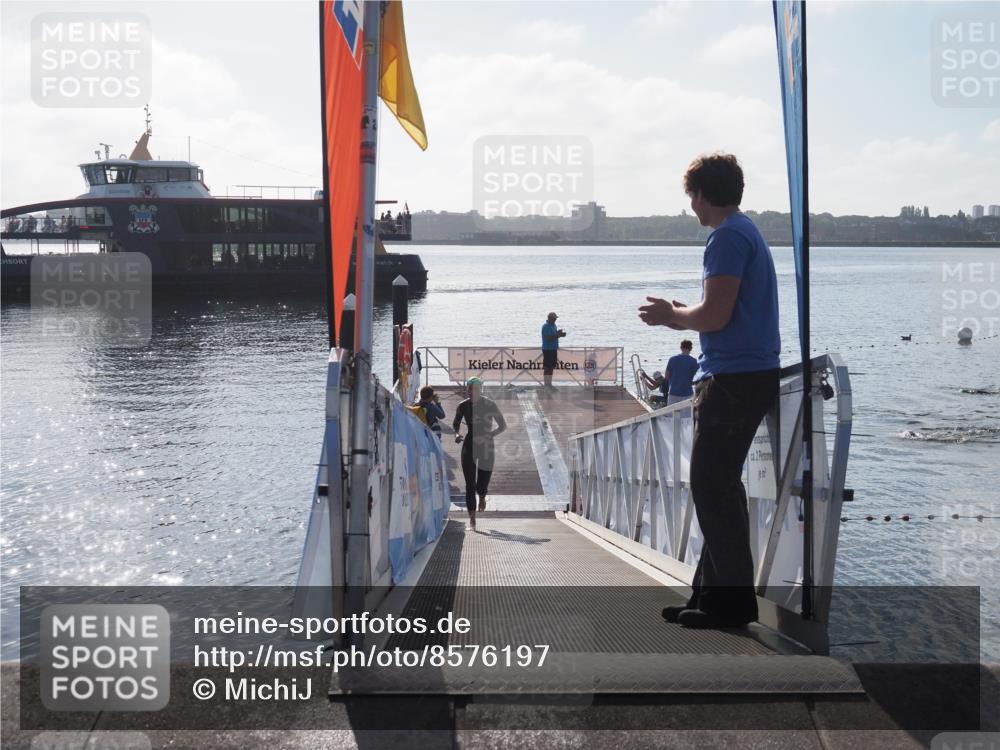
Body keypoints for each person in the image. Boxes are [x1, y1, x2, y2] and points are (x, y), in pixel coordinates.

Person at [638, 153, 780, 630]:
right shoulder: (743, 231)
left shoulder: (726, 238)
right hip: (744, 375)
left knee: (711, 487)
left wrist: (671, 316)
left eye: (691, 197)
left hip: (733, 379)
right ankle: (709, 596)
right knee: (718, 489)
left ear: (701, 194)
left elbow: (715, 317)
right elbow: (722, 309)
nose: (691, 207)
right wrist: (685, 310)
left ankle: (733, 606)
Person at [452, 377, 507, 528]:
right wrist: (456, 434)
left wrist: (490, 435)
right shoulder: (462, 406)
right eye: (470, 389)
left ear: (480, 389)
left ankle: (482, 496)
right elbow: (455, 423)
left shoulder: (489, 404)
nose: (472, 392)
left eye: (475, 389)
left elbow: (503, 426)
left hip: (486, 446)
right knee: (470, 484)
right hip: (469, 445)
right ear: (467, 390)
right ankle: (472, 518)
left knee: (481, 483)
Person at [664, 340, 700, 405]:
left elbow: (666, 376)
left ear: (681, 347)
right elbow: (697, 379)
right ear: (691, 348)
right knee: (687, 414)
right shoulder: (693, 361)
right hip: (687, 393)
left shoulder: (672, 359)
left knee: (671, 414)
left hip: (673, 392)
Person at [540, 312, 566, 389]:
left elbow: (554, 337)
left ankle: (549, 384)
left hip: (553, 349)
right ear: (549, 318)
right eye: (554, 318)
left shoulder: (554, 326)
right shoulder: (545, 326)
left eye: (555, 319)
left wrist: (559, 335)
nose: (555, 320)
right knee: (547, 368)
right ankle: (546, 385)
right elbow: (548, 338)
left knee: (551, 367)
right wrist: (558, 335)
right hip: (547, 349)